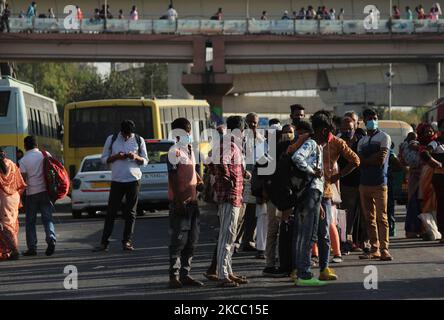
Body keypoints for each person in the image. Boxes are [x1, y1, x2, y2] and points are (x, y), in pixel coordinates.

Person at [314, 111, 360, 278]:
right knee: (310, 230)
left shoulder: (336, 142)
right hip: (310, 190)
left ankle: (330, 260)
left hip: (326, 189)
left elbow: (356, 160)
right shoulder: (309, 140)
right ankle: (304, 266)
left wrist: (336, 176)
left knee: (326, 225)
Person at [93, 120, 148, 252]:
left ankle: (127, 242)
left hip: (134, 180)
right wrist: (116, 157)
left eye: (129, 134)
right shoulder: (112, 139)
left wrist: (135, 157)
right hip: (117, 180)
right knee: (111, 212)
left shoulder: (139, 140)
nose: (127, 137)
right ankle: (104, 243)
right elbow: (103, 159)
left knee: (130, 213)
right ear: (121, 131)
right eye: (125, 134)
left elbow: (145, 161)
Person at [167, 118, 204, 289]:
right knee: (178, 241)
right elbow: (173, 177)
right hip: (180, 203)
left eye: (189, 132)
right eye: (184, 132)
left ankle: (185, 273)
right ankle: (174, 276)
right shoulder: (174, 152)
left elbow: (193, 171)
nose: (188, 135)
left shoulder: (189, 150)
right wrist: (178, 200)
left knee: (192, 241)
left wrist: (200, 181)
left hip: (193, 203)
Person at [213, 116, 248, 288]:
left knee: (230, 237)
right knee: (226, 237)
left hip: (235, 196)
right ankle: (222, 275)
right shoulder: (229, 144)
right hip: (229, 196)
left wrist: (241, 174)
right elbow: (220, 162)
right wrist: (227, 178)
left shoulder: (233, 145)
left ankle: (228, 271)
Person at [291, 117, 326, 286]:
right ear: (323, 130)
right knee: (308, 234)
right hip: (310, 193)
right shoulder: (312, 144)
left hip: (312, 194)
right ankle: (304, 274)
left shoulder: (316, 145)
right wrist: (312, 171)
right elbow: (297, 158)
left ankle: (300, 271)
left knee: (306, 233)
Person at [358, 109, 393, 261]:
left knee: (382, 217)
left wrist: (365, 160)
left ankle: (384, 249)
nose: (373, 120)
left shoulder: (384, 137)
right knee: (369, 218)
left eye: (375, 118)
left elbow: (381, 159)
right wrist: (369, 159)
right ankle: (375, 248)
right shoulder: (362, 141)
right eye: (370, 118)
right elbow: (359, 161)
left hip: (380, 183)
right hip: (364, 183)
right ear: (364, 121)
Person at [19, 136, 57, 257]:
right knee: (47, 218)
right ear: (36, 144)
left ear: (25, 146)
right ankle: (51, 238)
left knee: (30, 222)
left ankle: (32, 248)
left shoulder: (23, 160)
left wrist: (20, 195)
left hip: (31, 194)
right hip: (45, 192)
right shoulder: (45, 154)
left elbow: (23, 179)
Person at [338, 117, 366, 254]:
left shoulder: (362, 141)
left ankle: (363, 242)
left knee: (365, 215)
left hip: (362, 183)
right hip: (346, 185)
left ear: (355, 127)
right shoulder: (338, 142)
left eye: (349, 129)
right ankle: (345, 243)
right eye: (344, 129)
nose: (346, 131)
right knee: (346, 217)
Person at [0, 148, 26, 261]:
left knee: (5, 226)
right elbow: (20, 182)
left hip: (3, 198)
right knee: (12, 224)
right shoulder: (12, 163)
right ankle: (9, 250)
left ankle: (14, 250)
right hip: (14, 198)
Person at [430, 119, 444, 241]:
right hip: (440, 178)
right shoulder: (436, 143)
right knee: (442, 205)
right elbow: (425, 153)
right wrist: (436, 163)